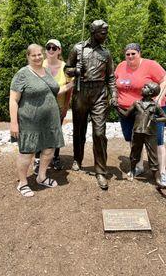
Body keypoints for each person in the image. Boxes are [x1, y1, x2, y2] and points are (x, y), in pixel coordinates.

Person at [65, 20, 117, 190]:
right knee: (79, 130)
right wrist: (75, 71)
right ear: (94, 32)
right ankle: (77, 159)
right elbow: (67, 69)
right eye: (103, 33)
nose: (105, 36)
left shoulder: (106, 54)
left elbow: (110, 77)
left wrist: (113, 95)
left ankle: (101, 171)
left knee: (99, 133)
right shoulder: (78, 49)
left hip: (99, 94)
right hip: (81, 92)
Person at [10, 44, 65, 197]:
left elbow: (53, 90)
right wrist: (14, 123)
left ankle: (41, 177)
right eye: (33, 55)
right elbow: (13, 100)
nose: (37, 57)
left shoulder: (46, 71)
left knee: (48, 150)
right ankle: (22, 183)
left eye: (39, 54)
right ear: (28, 57)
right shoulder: (22, 74)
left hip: (50, 121)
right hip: (30, 121)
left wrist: (71, 84)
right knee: (27, 153)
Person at [114, 43, 166, 188]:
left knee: (157, 141)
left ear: (139, 53)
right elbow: (115, 84)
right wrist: (114, 98)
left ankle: (161, 172)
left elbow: (165, 80)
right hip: (129, 109)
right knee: (133, 139)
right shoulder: (120, 66)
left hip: (150, 110)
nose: (130, 56)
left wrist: (157, 100)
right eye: (128, 54)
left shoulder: (151, 65)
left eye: (133, 53)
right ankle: (138, 166)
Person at [116, 82, 166, 188]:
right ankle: (132, 170)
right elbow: (126, 115)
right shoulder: (136, 103)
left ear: (151, 92)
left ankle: (157, 178)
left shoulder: (155, 105)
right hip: (137, 132)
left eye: (146, 87)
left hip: (150, 134)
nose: (142, 88)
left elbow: (165, 118)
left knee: (152, 156)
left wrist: (155, 119)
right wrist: (116, 107)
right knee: (135, 153)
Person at [33, 39, 73, 174]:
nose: (51, 50)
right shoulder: (40, 65)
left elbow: (69, 89)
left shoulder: (65, 67)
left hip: (58, 107)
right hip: (41, 107)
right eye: (48, 47)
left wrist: (66, 107)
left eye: (54, 48)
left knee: (56, 133)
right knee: (40, 133)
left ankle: (55, 157)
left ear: (59, 51)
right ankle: (37, 160)